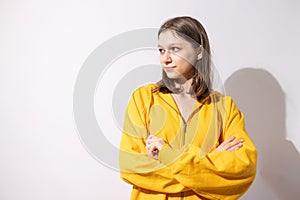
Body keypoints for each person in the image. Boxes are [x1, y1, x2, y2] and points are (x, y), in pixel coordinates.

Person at [119, 16, 257, 200]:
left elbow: (244, 168)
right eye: (161, 50)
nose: (165, 59)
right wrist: (206, 168)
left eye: (175, 49)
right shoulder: (143, 98)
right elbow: (131, 166)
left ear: (199, 52)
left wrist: (167, 155)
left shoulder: (224, 107)